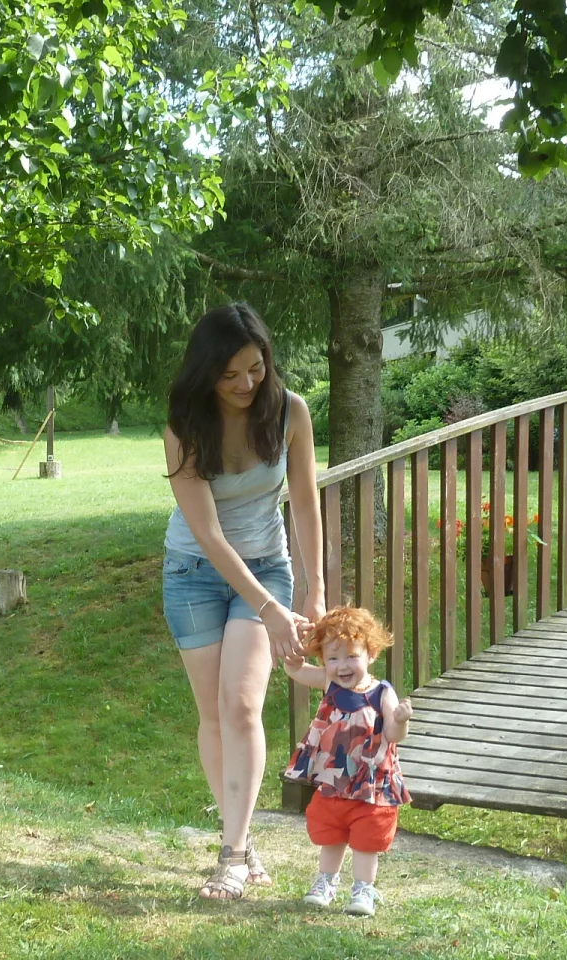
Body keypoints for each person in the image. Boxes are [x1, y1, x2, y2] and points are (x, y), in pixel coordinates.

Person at [162, 302, 325, 900]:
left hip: (266, 565)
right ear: (206, 373)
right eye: (229, 375)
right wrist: (268, 608)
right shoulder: (184, 423)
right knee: (212, 714)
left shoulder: (289, 411)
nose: (244, 384)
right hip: (193, 571)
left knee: (241, 707)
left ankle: (230, 855)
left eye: (254, 369)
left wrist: (314, 589)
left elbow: (305, 502)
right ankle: (243, 838)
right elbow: (206, 531)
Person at [281, 607, 412, 917]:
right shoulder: (330, 684)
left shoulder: (382, 692)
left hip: (370, 786)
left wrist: (401, 720)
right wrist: (293, 659)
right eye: (333, 658)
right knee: (332, 833)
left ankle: (363, 889)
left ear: (371, 653)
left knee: (367, 840)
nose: (342, 666)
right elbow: (297, 672)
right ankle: (325, 882)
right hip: (335, 784)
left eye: (352, 656)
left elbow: (393, 734)